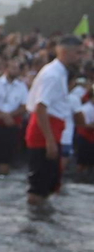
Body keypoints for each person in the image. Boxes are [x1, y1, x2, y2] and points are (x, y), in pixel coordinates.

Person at [24, 36, 81, 209]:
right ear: (64, 52)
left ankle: (43, 221)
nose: (81, 56)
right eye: (78, 52)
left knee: (50, 182)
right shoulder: (53, 74)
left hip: (53, 130)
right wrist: (49, 140)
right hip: (43, 133)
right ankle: (34, 227)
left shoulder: (60, 72)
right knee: (39, 186)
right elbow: (41, 107)